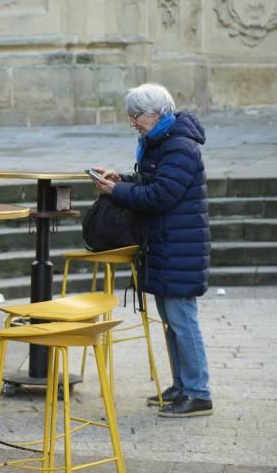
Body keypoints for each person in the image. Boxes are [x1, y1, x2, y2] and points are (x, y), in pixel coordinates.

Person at [90, 83, 213, 417]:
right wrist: (123, 179)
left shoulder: (180, 147)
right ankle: (182, 386)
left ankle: (199, 392)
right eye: (130, 116)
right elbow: (152, 182)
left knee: (182, 320)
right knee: (173, 321)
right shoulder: (160, 143)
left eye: (136, 115)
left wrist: (118, 191)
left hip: (179, 246)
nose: (133, 122)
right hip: (164, 244)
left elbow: (160, 196)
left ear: (157, 112)